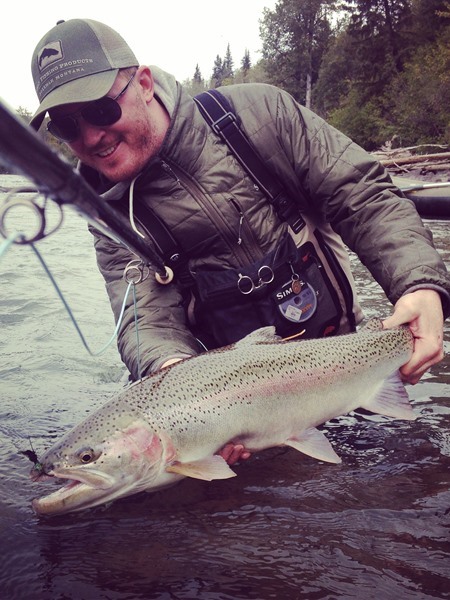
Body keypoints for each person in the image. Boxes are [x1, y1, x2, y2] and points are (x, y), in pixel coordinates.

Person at [30, 19, 449, 465]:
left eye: (99, 110)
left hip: (347, 372)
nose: (90, 137)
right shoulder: (109, 215)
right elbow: (147, 321)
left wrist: (419, 286)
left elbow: (362, 195)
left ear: (145, 84)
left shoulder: (259, 116)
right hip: (241, 423)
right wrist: (185, 403)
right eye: (66, 126)